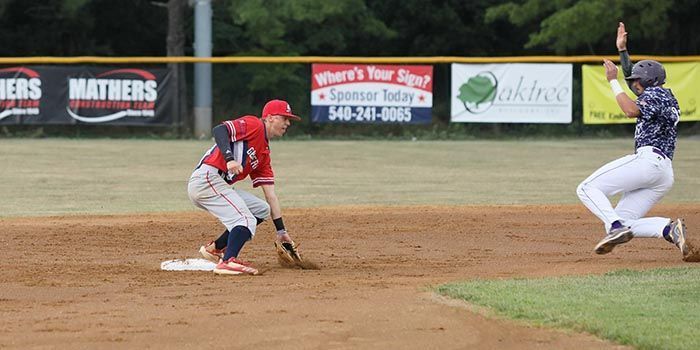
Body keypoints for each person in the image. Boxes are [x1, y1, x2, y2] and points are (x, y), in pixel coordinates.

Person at [576, 22, 689, 258]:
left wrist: (612, 80)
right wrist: (622, 51)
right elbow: (634, 85)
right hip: (663, 172)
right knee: (621, 220)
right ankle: (667, 229)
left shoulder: (655, 95)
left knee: (587, 188)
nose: (633, 82)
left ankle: (617, 228)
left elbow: (630, 110)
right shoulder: (664, 95)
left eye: (637, 79)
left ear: (647, 82)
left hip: (648, 162)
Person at [188, 99, 301, 275]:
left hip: (217, 185)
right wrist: (229, 159)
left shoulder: (264, 154)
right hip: (207, 179)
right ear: (269, 118)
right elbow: (220, 130)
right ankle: (227, 261)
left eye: (289, 119)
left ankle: (215, 248)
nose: (287, 123)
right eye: (284, 117)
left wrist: (281, 232)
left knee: (261, 209)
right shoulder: (254, 124)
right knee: (245, 220)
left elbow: (271, 196)